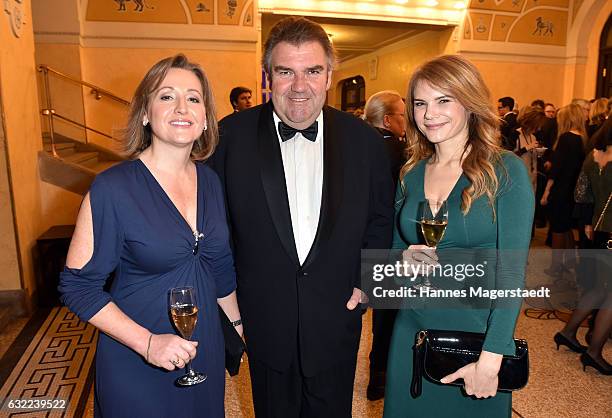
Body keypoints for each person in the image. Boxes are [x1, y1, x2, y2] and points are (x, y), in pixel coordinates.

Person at [211, 16, 394, 418]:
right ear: (268, 77)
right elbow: (211, 228)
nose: (299, 87)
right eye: (285, 72)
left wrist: (368, 285)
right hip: (264, 323)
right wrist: (228, 310)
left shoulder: (365, 141)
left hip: (337, 322)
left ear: (329, 75)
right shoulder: (230, 137)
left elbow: (381, 219)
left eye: (312, 71)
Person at [59, 54, 241, 418]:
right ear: (145, 112)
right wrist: (148, 344)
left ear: (205, 118)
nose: (181, 107)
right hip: (137, 357)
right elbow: (77, 287)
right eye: (166, 96)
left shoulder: (210, 181)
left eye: (193, 98)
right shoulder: (112, 188)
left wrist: (238, 328)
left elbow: (220, 269)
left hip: (202, 351)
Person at [384, 55, 534, 417]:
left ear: (469, 102)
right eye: (420, 103)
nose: (429, 113)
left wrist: (492, 357)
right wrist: (402, 261)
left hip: (476, 340)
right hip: (412, 332)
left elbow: (512, 273)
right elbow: (391, 255)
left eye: (443, 100)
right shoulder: (411, 173)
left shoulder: (504, 170)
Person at [554, 118, 612, 375]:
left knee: (598, 288)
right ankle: (594, 351)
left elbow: (581, 194)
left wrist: (587, 222)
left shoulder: (594, 154)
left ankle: (568, 332)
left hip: (598, 230)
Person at [363, 89, 407, 400]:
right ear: (389, 119)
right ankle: (384, 376)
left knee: (383, 315)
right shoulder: (396, 151)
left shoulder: (359, 143)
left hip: (366, 242)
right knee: (392, 315)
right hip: (392, 242)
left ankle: (377, 376)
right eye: (404, 115)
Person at [541, 104, 587, 274]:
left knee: (558, 227)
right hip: (573, 189)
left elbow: (556, 169)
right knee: (566, 226)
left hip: (561, 188)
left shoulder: (566, 138)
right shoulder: (583, 138)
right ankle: (569, 262)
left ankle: (556, 265)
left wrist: (546, 192)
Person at [514, 106, 547, 190]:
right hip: (519, 176)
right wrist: (528, 147)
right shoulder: (516, 134)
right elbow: (511, 155)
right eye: (537, 126)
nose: (539, 129)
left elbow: (533, 158)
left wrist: (539, 153)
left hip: (532, 176)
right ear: (531, 123)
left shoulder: (533, 137)